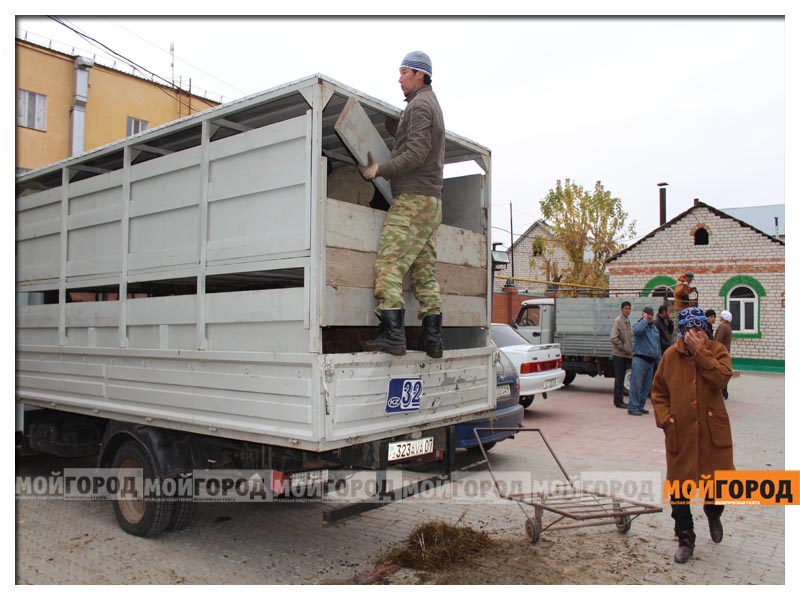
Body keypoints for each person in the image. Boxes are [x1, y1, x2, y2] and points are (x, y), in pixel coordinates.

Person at [358, 51, 445, 358]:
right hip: (431, 203)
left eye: (404, 72)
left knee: (389, 265)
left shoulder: (420, 106)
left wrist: (378, 170)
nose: (399, 78)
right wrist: (400, 131)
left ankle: (393, 334)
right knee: (424, 273)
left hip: (413, 200)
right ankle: (433, 339)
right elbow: (421, 144)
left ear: (419, 74)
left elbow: (417, 155)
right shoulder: (427, 105)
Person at [651, 307, 733, 564]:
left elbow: (721, 380)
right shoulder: (670, 356)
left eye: (699, 329)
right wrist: (667, 420)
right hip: (681, 434)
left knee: (716, 483)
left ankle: (713, 511)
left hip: (712, 433)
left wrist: (700, 352)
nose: (694, 334)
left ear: (706, 331)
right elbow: (659, 392)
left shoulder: (717, 351)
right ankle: (686, 538)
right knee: (679, 490)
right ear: (682, 331)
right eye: (689, 330)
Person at [628, 307, 661, 416]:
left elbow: (657, 346)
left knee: (646, 387)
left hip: (650, 361)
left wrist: (659, 360)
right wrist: (645, 320)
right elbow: (636, 331)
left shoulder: (654, 329)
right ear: (643, 314)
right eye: (647, 314)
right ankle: (633, 407)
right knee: (636, 385)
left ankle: (640, 406)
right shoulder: (640, 325)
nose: (650, 316)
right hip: (640, 359)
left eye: (651, 314)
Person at [610, 301, 632, 409]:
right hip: (619, 354)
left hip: (626, 354)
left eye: (629, 308)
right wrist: (624, 348)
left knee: (622, 378)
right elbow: (614, 337)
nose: (628, 310)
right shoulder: (618, 321)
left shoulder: (628, 321)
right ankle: (618, 401)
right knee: (619, 378)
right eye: (626, 308)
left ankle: (620, 400)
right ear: (622, 309)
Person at [715, 310, 733, 399]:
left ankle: (723, 391)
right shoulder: (728, 326)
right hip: (726, 351)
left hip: (720, 351)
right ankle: (724, 391)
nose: (719, 317)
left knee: (720, 371)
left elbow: (718, 340)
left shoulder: (722, 326)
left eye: (721, 316)